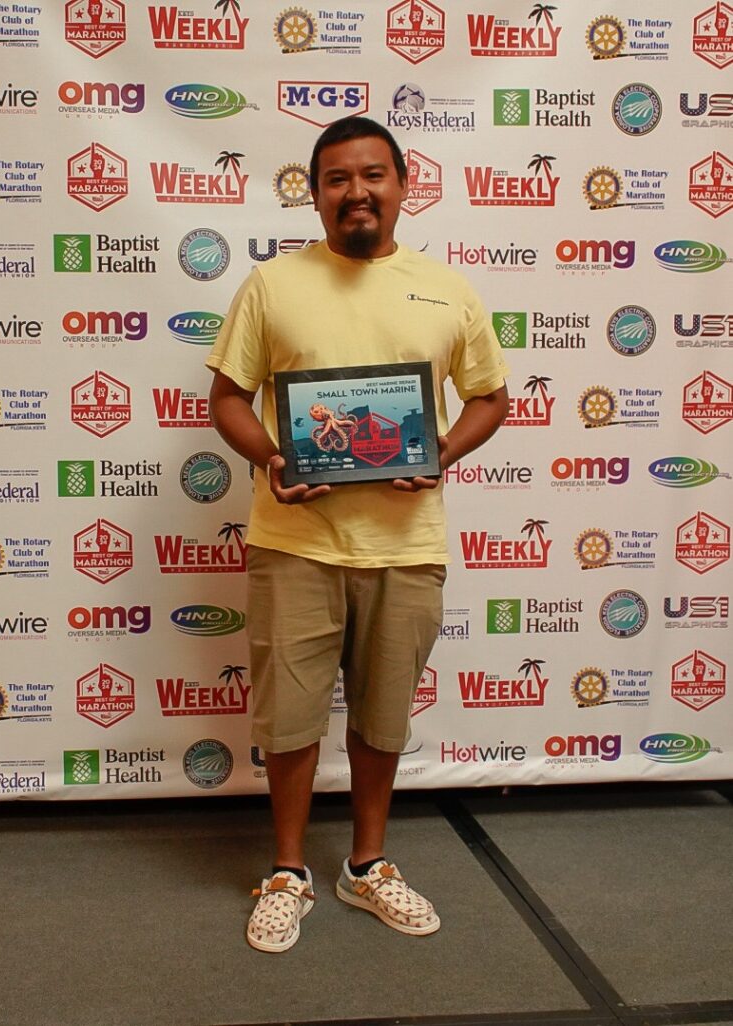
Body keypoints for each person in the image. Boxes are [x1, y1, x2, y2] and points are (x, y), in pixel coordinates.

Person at [206, 116, 509, 953]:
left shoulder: (449, 290)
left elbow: (490, 396)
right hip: (295, 540)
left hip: (407, 545)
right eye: (337, 178)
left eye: (373, 175)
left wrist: (442, 448)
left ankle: (368, 865)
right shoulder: (272, 286)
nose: (357, 192)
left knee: (383, 717)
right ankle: (288, 872)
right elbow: (227, 397)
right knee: (290, 721)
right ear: (315, 193)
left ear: (405, 186)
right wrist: (270, 457)